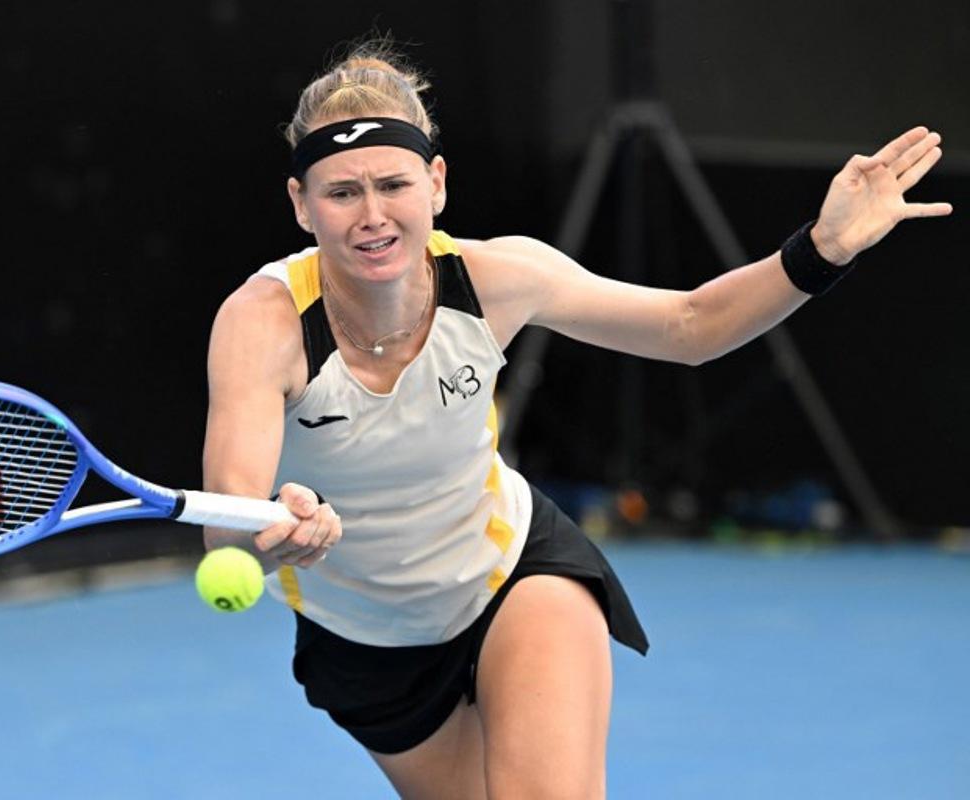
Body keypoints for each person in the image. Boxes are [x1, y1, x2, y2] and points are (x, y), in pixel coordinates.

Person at [202, 41, 952, 799]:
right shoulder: (261, 323)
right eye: (342, 193)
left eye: (394, 184)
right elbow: (228, 521)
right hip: (365, 640)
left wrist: (820, 250)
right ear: (301, 204)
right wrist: (276, 530)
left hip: (511, 572)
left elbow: (690, 326)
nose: (372, 216)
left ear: (435, 184)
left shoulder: (498, 279)